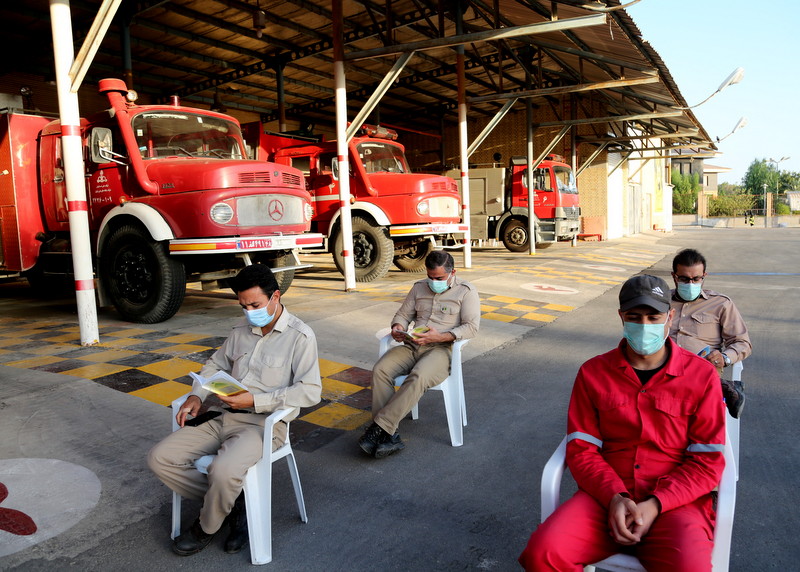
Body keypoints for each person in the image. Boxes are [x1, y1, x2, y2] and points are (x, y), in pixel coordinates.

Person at [519, 274, 726, 571]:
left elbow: (707, 461)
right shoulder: (593, 373)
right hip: (606, 497)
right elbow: (581, 449)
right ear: (621, 317)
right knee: (543, 554)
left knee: (689, 566)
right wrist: (614, 497)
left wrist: (657, 503)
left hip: (676, 503)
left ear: (670, 317)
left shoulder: (701, 377)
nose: (644, 326)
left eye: (653, 317)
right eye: (634, 317)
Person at [148, 264, 321, 557]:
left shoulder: (300, 337)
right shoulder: (241, 330)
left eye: (255, 304)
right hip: (224, 417)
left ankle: (205, 527)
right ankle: (231, 501)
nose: (249, 311)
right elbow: (215, 365)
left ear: (275, 296)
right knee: (160, 458)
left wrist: (255, 401)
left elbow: (310, 391)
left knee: (224, 469)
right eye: (243, 306)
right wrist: (196, 396)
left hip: (265, 426)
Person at [358, 250, 480, 459]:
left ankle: (379, 429)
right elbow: (403, 315)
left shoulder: (466, 291)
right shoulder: (418, 288)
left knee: (419, 375)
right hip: (412, 345)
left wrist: (440, 337)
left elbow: (471, 327)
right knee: (381, 369)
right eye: (430, 277)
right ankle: (389, 434)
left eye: (439, 278)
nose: (433, 282)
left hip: (441, 350)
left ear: (452, 273)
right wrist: (398, 327)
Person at [669, 248, 752, 418]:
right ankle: (724, 387)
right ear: (674, 277)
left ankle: (718, 386)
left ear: (704, 277)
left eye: (696, 279)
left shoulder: (721, 304)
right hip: (664, 366)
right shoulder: (661, 302)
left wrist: (725, 357)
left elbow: (742, 342)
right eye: (684, 279)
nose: (690, 284)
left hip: (702, 368)